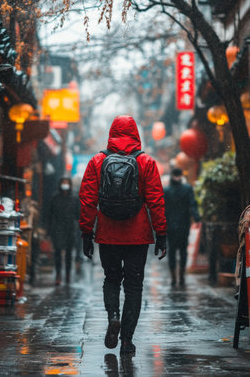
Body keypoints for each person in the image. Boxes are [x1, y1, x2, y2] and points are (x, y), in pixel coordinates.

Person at [79, 115, 167, 355]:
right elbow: (156, 201)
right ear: (135, 134)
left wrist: (87, 233)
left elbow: (87, 200)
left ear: (112, 133)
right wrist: (161, 233)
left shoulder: (98, 161)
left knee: (111, 279)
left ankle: (114, 316)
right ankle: (127, 341)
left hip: (107, 234)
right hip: (137, 235)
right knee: (134, 286)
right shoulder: (146, 162)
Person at [163, 167, 201, 287]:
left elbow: (162, 209)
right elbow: (192, 204)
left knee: (172, 251)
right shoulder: (187, 189)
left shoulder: (166, 190)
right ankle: (182, 276)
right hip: (184, 224)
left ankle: (174, 277)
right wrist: (196, 218)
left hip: (170, 226)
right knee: (183, 251)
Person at [47, 176, 80, 285]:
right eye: (63, 182)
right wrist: (49, 230)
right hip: (57, 228)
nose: (65, 185)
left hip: (70, 228)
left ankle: (67, 275)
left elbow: (78, 215)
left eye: (67, 182)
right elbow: (50, 214)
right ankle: (58, 275)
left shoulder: (74, 198)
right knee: (57, 253)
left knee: (69, 254)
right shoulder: (55, 198)